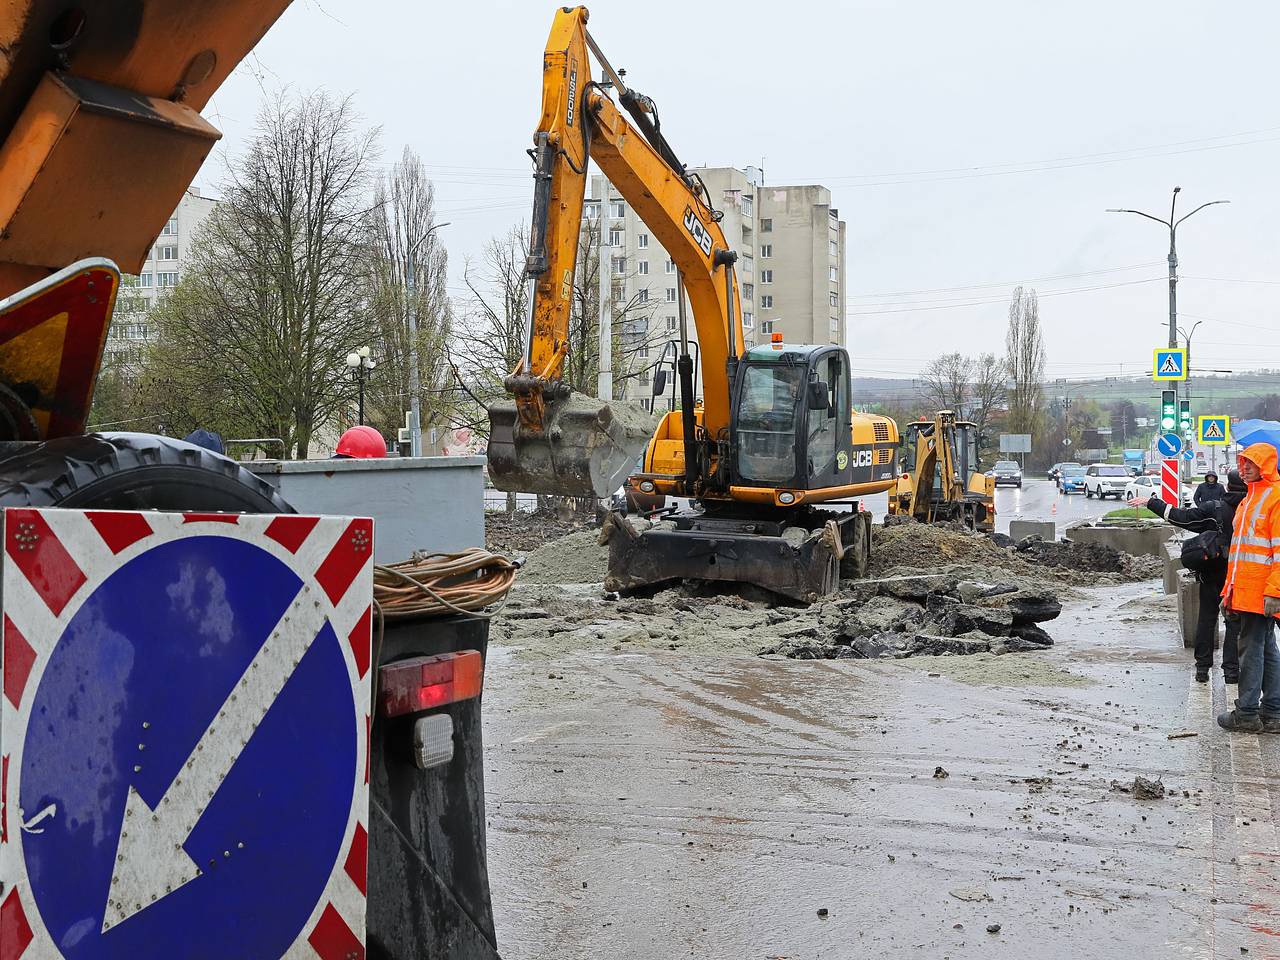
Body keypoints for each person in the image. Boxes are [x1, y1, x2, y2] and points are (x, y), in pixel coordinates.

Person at [1132, 470, 1246, 682]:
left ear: (1227, 487)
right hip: (1242, 576)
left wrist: (1151, 502)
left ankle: (1202, 669)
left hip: (1212, 571)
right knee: (1234, 623)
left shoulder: (1216, 508)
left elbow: (1182, 518)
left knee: (1207, 618)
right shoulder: (1254, 508)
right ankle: (1231, 672)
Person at [1217, 443, 1280, 733]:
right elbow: (1240, 553)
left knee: (1251, 651)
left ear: (1265, 466)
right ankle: (1273, 712)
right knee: (1266, 649)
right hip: (1246, 591)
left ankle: (1247, 713)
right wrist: (1227, 591)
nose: (1244, 468)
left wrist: (1274, 592)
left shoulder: (1275, 499)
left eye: (1250, 464)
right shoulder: (1248, 500)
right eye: (1242, 463)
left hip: (1261, 593)